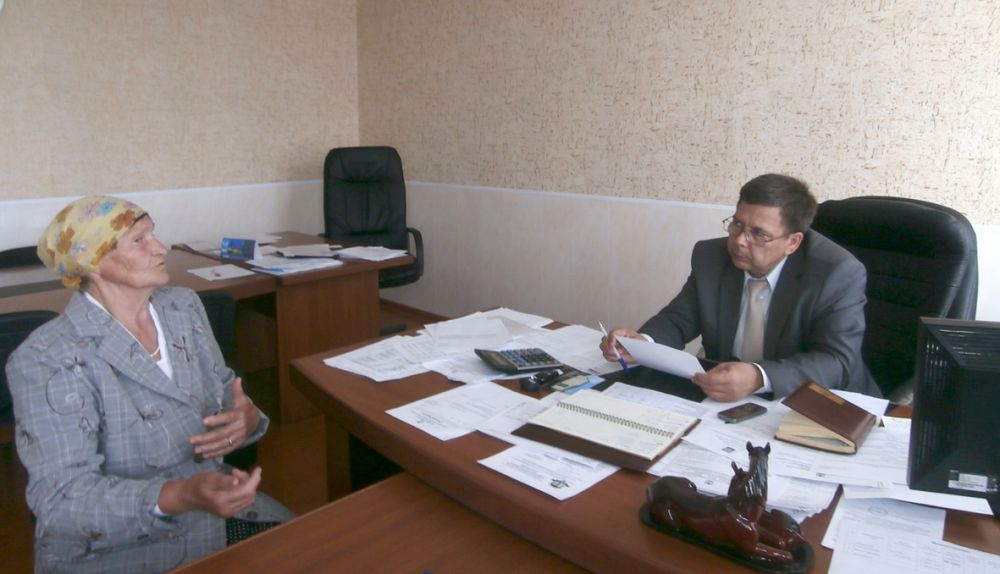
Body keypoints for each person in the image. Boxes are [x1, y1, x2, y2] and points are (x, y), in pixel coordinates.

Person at [6, 196, 293, 573]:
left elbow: (224, 392)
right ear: (92, 261)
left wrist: (248, 418)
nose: (161, 248)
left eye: (153, 234)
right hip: (117, 551)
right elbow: (61, 502)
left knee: (322, 548)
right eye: (139, 240)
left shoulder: (182, 307)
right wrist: (181, 495)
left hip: (212, 514)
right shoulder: (46, 357)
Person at [601, 174, 881, 402]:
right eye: (737, 224)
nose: (739, 241)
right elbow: (678, 319)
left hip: (819, 403)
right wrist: (643, 344)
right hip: (730, 403)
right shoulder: (711, 257)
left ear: (793, 242)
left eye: (758, 234)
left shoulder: (836, 273)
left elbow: (835, 361)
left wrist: (759, 377)